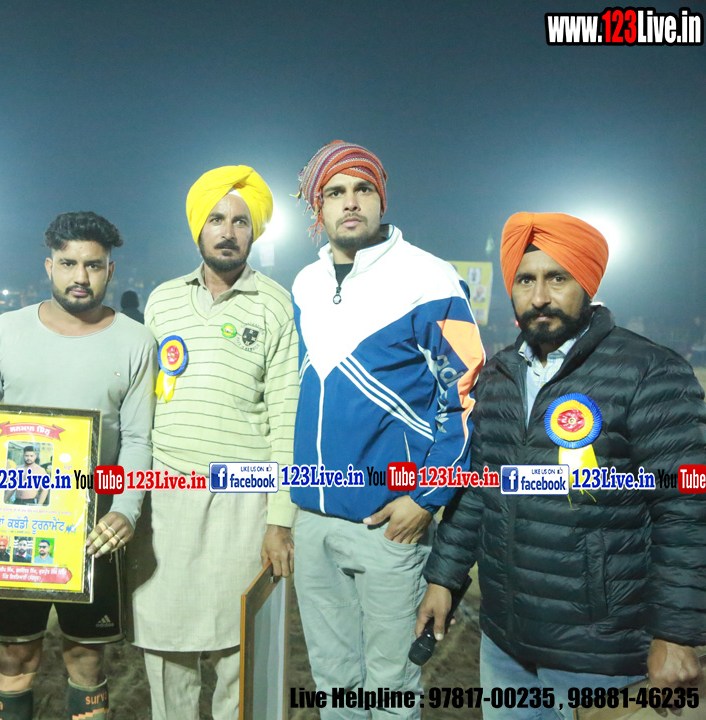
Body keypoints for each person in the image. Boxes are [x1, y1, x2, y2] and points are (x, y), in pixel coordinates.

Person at [418, 212, 706, 718]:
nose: (539, 297)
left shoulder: (650, 371)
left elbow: (686, 508)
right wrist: (444, 579)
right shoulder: (499, 375)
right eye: (525, 280)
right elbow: (478, 491)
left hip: (602, 653)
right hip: (506, 643)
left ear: (587, 284)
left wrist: (677, 634)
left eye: (557, 278)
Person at [291, 141, 485, 718]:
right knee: (334, 684)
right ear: (318, 208)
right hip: (313, 519)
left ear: (381, 199)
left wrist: (426, 498)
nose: (350, 202)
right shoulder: (305, 282)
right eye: (335, 192)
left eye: (363, 189)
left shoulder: (429, 277)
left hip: (388, 524)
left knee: (390, 686)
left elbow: (465, 398)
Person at [0, 210, 156, 720]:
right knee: (15, 656)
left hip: (94, 520)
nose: (80, 276)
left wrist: (126, 510)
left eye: (93, 265)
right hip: (14, 517)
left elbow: (138, 438)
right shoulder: (6, 330)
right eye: (69, 263)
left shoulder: (136, 340)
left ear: (110, 270)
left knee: (86, 658)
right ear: (49, 266)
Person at [129, 165, 299, 720]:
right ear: (198, 228)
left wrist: (280, 520)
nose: (228, 231)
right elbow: (142, 403)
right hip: (167, 502)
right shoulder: (162, 301)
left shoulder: (275, 304)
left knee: (238, 657)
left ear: (255, 232)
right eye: (217, 219)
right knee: (167, 656)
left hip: (243, 507)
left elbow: (286, 418)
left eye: (241, 222)